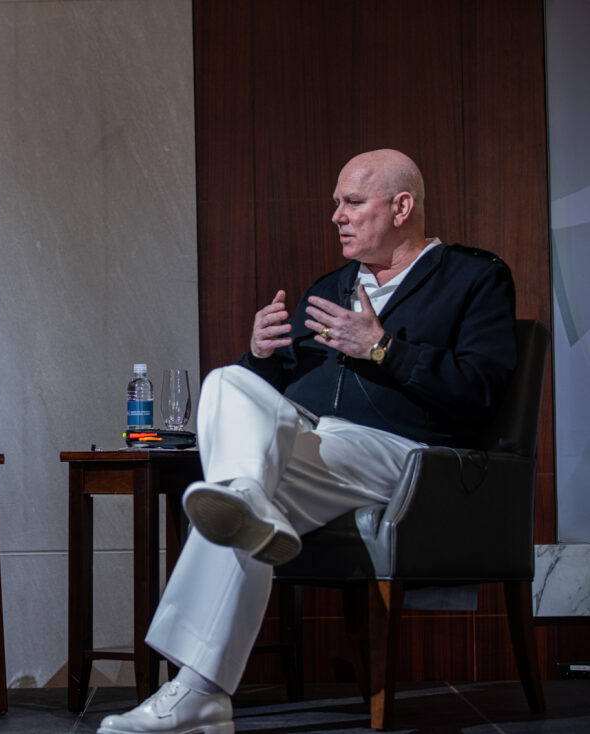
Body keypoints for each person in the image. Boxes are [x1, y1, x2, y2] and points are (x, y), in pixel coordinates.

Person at [98, 149, 517, 734]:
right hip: (312, 444)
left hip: (403, 453)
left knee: (240, 493)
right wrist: (263, 357)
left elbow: (481, 392)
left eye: (352, 202)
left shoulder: (474, 278)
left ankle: (196, 690)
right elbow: (277, 390)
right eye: (335, 205)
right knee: (228, 384)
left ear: (402, 207)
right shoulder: (331, 286)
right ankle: (204, 690)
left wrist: (382, 349)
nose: (336, 217)